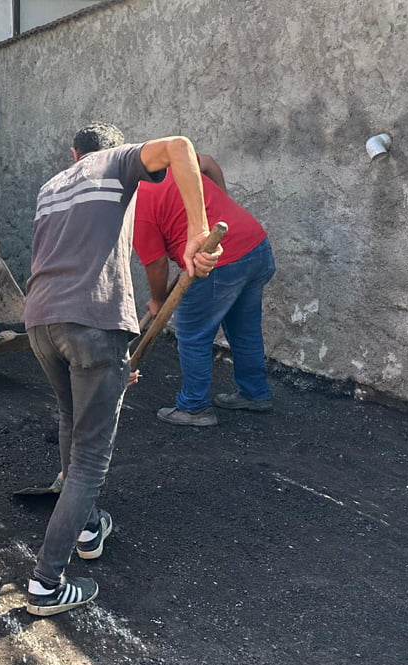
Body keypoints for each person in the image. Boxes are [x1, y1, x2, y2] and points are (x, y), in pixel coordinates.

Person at [23, 122, 221, 616]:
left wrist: (114, 363)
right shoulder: (118, 162)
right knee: (90, 457)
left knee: (73, 422)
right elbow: (181, 147)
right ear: (118, 149)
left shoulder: (52, 187)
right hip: (93, 321)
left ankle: (88, 528)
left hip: (42, 321)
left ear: (74, 152)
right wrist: (198, 233)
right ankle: (46, 582)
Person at [133, 156, 276, 427]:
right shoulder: (167, 166)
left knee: (192, 334)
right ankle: (254, 394)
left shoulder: (134, 205)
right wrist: (221, 204)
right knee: (244, 327)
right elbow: (209, 162)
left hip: (217, 260)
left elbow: (156, 263)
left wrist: (158, 299)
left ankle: (194, 407)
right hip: (255, 245)